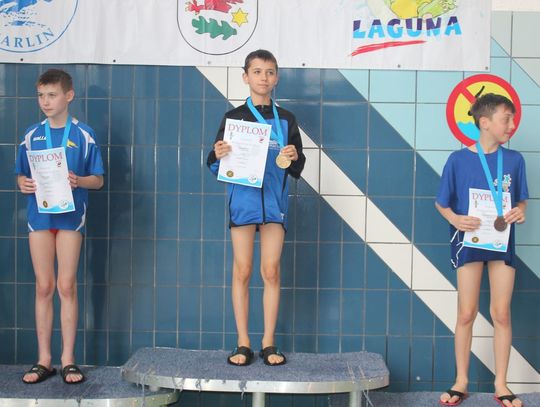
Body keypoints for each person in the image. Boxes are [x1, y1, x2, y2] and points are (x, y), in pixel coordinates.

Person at [207, 49, 305, 366]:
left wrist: (294, 156)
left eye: (270, 72)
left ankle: (269, 342)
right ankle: (243, 342)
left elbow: (297, 166)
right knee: (243, 270)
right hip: (243, 204)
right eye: (258, 71)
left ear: (277, 78)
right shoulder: (233, 118)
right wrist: (217, 154)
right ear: (245, 76)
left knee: (271, 271)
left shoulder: (287, 119)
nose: (264, 77)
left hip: (275, 205)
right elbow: (213, 164)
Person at [435, 93, 528, 407]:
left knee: (501, 313)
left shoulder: (514, 160)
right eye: (506, 119)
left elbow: (521, 201)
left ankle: (501, 383)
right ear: (485, 122)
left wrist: (519, 212)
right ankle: (461, 380)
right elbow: (441, 203)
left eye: (512, 119)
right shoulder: (457, 160)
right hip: (469, 243)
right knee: (466, 312)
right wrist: (455, 219)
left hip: (501, 243)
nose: (512, 125)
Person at [16, 69, 104, 384]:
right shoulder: (31, 134)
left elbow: (98, 180)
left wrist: (79, 180)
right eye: (41, 95)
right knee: (43, 286)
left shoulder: (84, 134)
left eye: (52, 95)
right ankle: (44, 359)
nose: (45, 101)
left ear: (69, 96)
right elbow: (21, 174)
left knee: (66, 286)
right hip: (40, 217)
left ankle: (68, 359)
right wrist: (22, 183)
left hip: (70, 218)